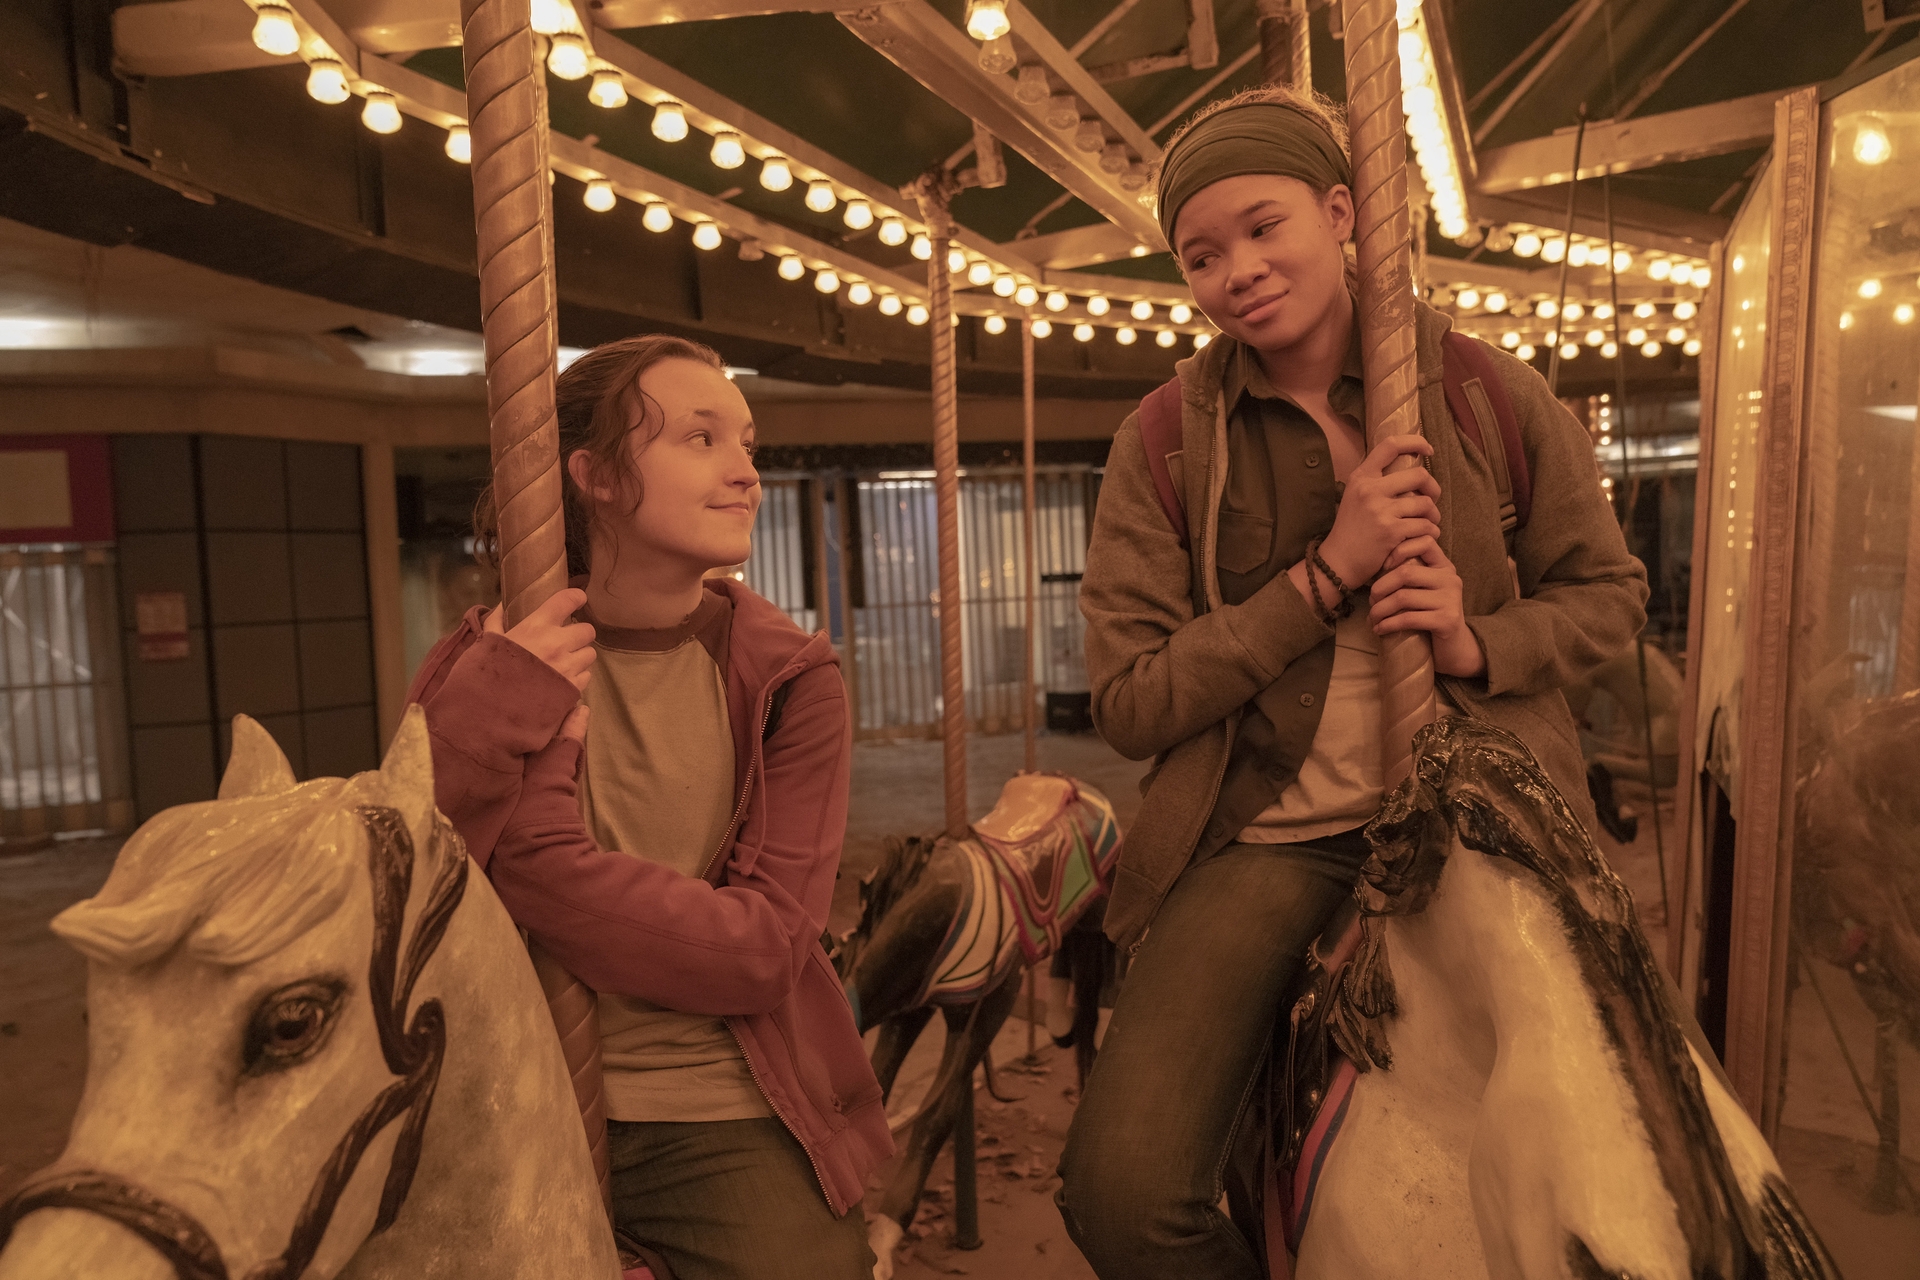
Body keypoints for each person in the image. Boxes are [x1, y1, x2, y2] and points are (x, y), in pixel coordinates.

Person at [1058, 85, 1648, 1279]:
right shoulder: (1166, 440)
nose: (1241, 270)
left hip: (1491, 810)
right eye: (1203, 254)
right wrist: (1325, 576)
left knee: (1639, 1160)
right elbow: (1129, 697)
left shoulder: (1488, 390)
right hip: (1275, 832)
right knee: (1118, 1193)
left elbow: (1608, 592)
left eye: (1266, 226)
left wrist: (1480, 642)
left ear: (1343, 213)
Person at [406, 335, 890, 1280]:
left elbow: (760, 952)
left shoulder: (788, 678)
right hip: (496, 1089)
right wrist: (491, 709)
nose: (746, 472)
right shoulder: (487, 661)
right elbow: (412, 877)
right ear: (598, 478)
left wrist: (539, 855)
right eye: (700, 440)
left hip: (704, 1107)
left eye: (747, 443)